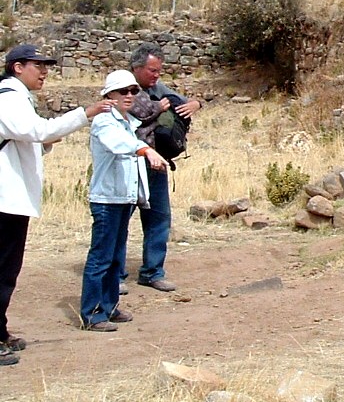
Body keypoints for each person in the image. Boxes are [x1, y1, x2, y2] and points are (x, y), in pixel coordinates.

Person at [0, 44, 111, 365]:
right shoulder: (8, 97)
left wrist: (44, 142)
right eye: (38, 65)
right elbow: (36, 130)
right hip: (5, 200)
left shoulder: (16, 98)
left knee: (7, 269)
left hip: (11, 198)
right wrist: (85, 114)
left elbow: (29, 139)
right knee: (2, 270)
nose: (45, 71)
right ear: (17, 67)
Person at [79, 70, 166, 331]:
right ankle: (93, 313)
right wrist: (146, 150)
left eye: (132, 91)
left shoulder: (127, 123)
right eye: (122, 91)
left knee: (116, 257)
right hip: (107, 198)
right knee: (101, 257)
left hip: (122, 197)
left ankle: (109, 305)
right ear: (109, 95)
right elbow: (119, 144)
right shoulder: (105, 121)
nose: (129, 96)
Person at [127, 43, 201, 292]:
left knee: (159, 217)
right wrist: (158, 108)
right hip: (129, 164)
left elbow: (183, 102)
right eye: (152, 70)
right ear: (136, 68)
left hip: (156, 163)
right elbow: (137, 111)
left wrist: (195, 104)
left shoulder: (158, 88)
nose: (157, 75)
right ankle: (114, 275)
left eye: (159, 70)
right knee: (120, 220)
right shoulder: (122, 87)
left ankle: (152, 272)